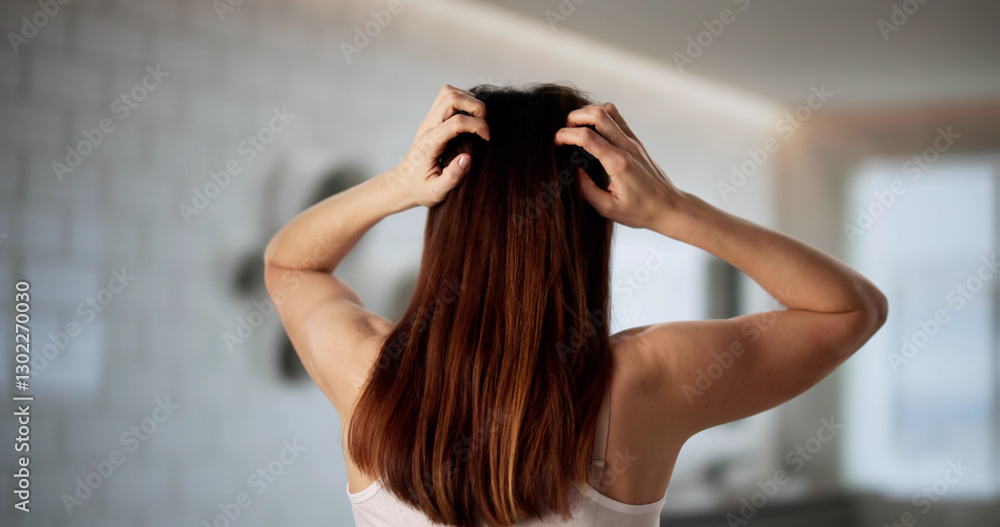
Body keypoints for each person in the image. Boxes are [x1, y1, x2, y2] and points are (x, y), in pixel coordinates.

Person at [262, 83, 888, 527]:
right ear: (588, 228)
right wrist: (675, 211)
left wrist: (397, 186)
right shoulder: (643, 380)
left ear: (445, 216)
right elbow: (847, 310)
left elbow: (290, 264)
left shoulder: (368, 375)